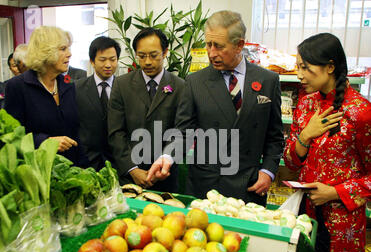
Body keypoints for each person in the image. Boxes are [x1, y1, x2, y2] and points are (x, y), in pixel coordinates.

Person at [147, 11, 284, 204]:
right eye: (208, 44)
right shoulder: (196, 82)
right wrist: (167, 157)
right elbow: (183, 132)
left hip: (249, 185)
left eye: (219, 46)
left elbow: (275, 136)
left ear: (239, 45)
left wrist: (268, 171)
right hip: (207, 186)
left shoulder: (268, 80)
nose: (211, 53)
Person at [283, 33, 371, 252]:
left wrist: (334, 193)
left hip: (342, 225)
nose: (300, 75)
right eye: (298, 67)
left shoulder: (360, 112)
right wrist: (304, 136)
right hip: (306, 217)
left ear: (330, 67)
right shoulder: (306, 103)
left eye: (306, 68)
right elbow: (290, 160)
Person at [108, 27, 185, 191]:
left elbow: (180, 131)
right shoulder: (122, 85)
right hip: (129, 177)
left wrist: (165, 162)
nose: (147, 62)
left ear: (165, 53)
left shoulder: (179, 86)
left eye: (154, 55)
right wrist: (132, 169)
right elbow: (116, 132)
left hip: (166, 176)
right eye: (141, 56)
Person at [4, 26, 89, 167]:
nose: (69, 54)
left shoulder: (67, 85)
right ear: (45, 52)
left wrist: (87, 170)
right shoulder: (18, 86)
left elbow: (75, 133)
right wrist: (46, 142)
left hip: (70, 172)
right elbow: (11, 137)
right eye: (63, 49)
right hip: (37, 172)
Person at [75, 36, 121, 171]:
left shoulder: (125, 88)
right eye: (102, 60)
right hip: (86, 163)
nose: (108, 65)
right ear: (92, 61)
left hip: (118, 162)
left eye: (113, 60)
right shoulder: (77, 89)